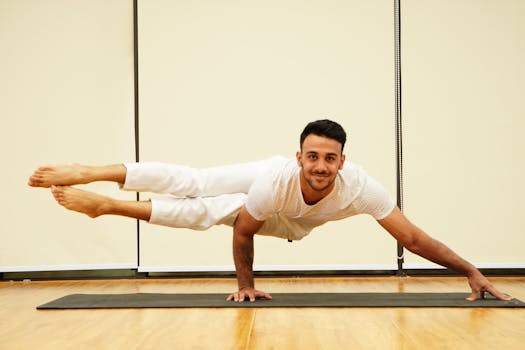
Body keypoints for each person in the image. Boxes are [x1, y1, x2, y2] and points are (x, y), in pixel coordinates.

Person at [28, 119, 511, 303]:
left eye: (330, 158)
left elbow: (412, 239)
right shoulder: (275, 177)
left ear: (342, 161)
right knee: (203, 194)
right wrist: (245, 288)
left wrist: (471, 270)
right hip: (267, 196)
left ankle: (108, 206)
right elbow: (241, 232)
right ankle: (100, 184)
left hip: (291, 224)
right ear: (299, 156)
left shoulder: (361, 188)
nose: (321, 166)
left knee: (223, 207)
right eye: (313, 156)